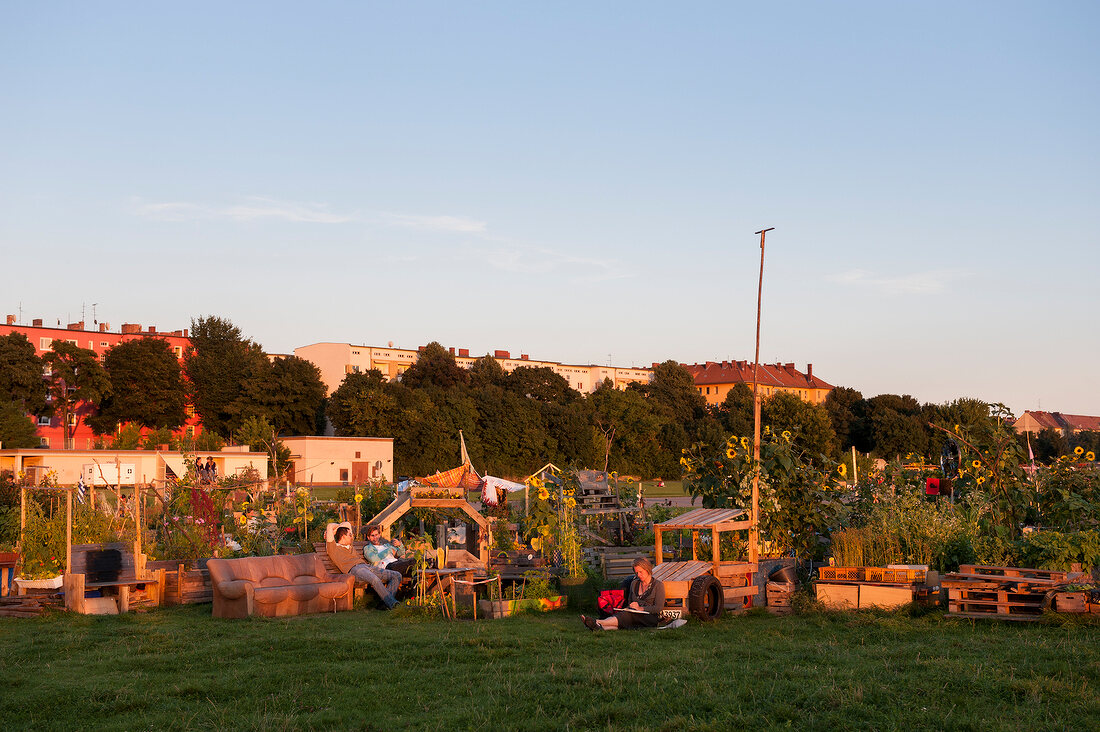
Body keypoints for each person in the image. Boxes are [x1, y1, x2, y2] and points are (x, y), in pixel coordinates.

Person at [326, 525, 400, 609]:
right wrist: (334, 531)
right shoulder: (333, 548)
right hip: (355, 570)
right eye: (350, 535)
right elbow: (329, 526)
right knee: (375, 579)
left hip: (366, 566)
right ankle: (393, 604)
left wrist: (338, 529)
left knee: (397, 575)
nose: (352, 537)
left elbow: (346, 524)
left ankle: (384, 604)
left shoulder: (350, 546)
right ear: (343, 536)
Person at [581, 557, 665, 630]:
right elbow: (629, 602)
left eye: (640, 572)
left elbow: (658, 608)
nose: (638, 575)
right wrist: (631, 606)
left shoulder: (658, 585)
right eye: (636, 573)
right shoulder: (634, 583)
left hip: (649, 617)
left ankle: (597, 622)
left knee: (628, 616)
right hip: (634, 614)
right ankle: (599, 627)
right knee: (625, 615)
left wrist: (641, 608)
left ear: (647, 570)